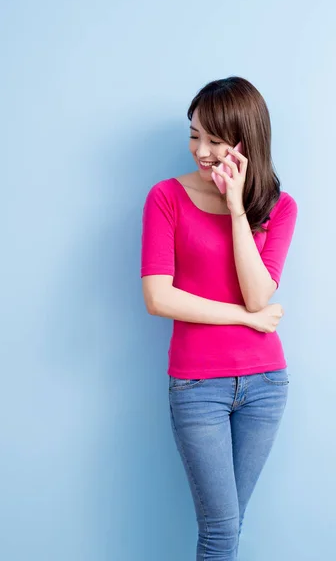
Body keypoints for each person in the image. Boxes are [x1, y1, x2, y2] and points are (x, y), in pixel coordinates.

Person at [140, 76, 298, 561]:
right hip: (197, 387)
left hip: (265, 386)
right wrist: (245, 320)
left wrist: (235, 209)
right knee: (220, 531)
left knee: (229, 528)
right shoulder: (165, 198)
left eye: (214, 139)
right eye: (194, 135)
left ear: (245, 143)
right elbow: (158, 298)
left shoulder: (279, 206)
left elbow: (258, 296)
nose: (201, 151)